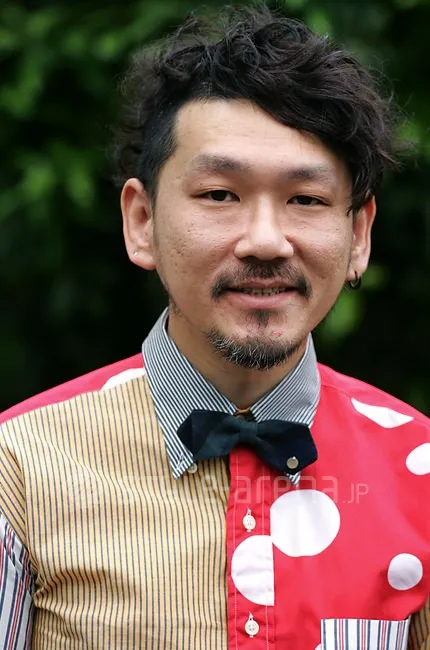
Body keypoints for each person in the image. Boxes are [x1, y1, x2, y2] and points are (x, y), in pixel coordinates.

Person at [0, 4, 429, 649]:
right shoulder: (18, 470)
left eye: (306, 199)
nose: (265, 241)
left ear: (359, 235)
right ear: (142, 221)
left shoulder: (421, 474)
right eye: (220, 195)